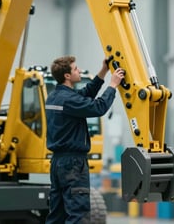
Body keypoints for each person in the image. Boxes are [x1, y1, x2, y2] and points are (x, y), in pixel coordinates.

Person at [45, 55, 124, 223]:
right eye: (75, 68)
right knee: (78, 214)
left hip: (57, 163)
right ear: (67, 76)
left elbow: (84, 94)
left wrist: (103, 71)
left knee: (57, 214)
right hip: (73, 164)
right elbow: (98, 107)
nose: (79, 70)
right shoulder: (69, 99)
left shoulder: (54, 97)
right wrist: (113, 85)